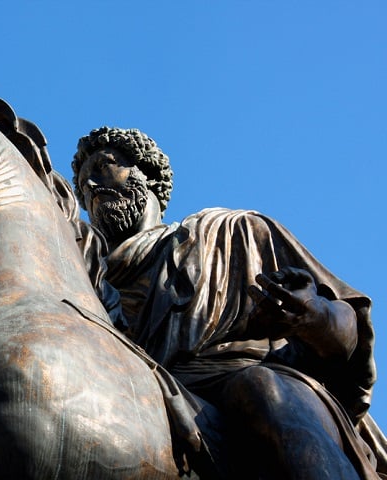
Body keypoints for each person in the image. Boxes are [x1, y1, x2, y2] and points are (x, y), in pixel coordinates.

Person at [72, 126, 385, 479]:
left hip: (248, 380)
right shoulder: (89, 279)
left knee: (262, 391)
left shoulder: (235, 231)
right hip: (144, 395)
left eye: (103, 167)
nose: (90, 186)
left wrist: (311, 314)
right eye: (82, 184)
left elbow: (349, 331)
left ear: (148, 174)